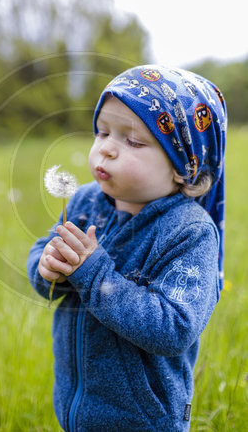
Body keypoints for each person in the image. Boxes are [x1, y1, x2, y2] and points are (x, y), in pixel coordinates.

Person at [27, 64, 227, 431]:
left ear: (184, 166)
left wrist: (93, 275)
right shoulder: (87, 201)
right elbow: (45, 248)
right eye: (102, 132)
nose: (106, 149)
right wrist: (47, 267)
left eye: (132, 140)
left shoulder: (189, 232)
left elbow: (174, 328)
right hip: (76, 406)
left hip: (143, 419)